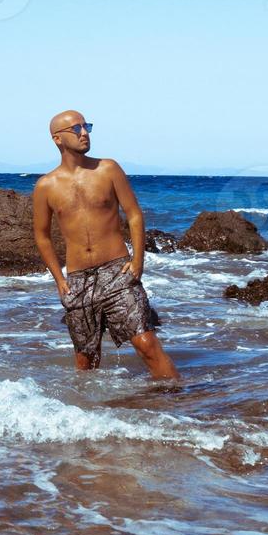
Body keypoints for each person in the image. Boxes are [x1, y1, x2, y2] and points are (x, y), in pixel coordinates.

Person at [32, 110, 180, 379]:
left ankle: (179, 403)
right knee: (86, 359)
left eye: (86, 126)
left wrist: (137, 262)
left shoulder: (107, 169)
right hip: (77, 280)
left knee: (146, 343)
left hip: (117, 271)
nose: (84, 133)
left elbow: (134, 214)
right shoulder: (46, 186)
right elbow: (41, 235)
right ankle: (92, 414)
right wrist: (59, 280)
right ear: (57, 139)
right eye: (75, 129)